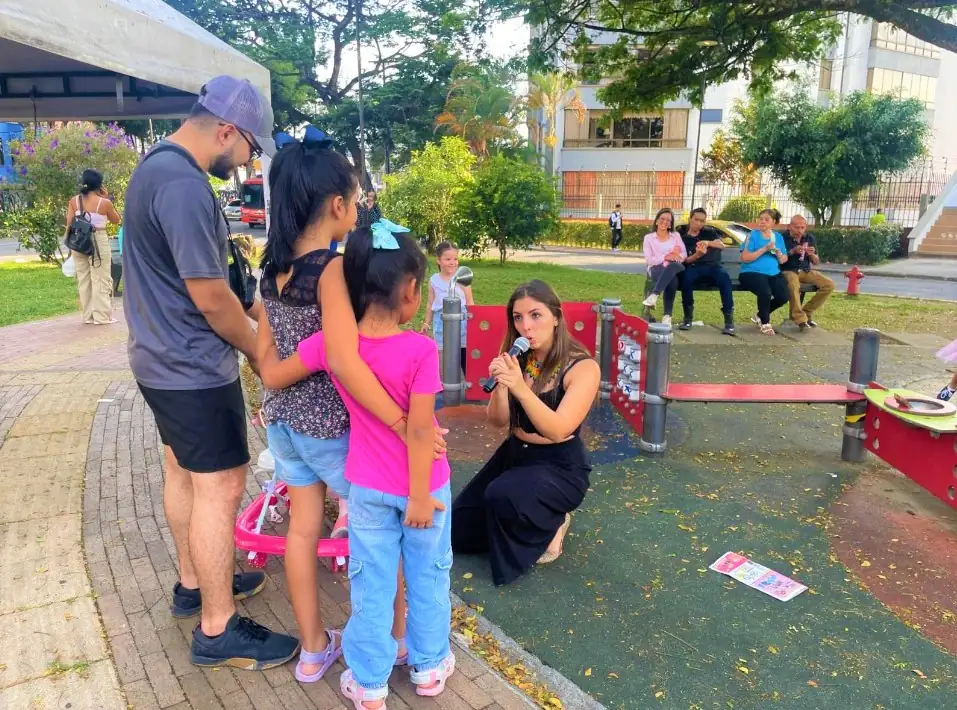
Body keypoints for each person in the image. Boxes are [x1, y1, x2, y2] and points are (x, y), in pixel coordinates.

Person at [122, 75, 301, 669]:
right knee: (221, 486)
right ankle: (218, 627)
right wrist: (259, 352)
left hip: (157, 361)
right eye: (250, 146)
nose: (249, 159)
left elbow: (222, 282)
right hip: (193, 368)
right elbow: (212, 298)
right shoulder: (182, 186)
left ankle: (194, 584)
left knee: (184, 472)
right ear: (225, 130)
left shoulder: (154, 167)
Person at [259, 221, 455, 709]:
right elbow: (418, 429)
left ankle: (369, 684)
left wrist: (264, 331)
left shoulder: (332, 345)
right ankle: (428, 668)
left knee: (370, 583)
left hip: (366, 485)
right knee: (428, 575)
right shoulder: (420, 349)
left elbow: (276, 375)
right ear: (411, 290)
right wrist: (415, 495)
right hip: (423, 488)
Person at [255, 126, 412, 682]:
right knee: (380, 530)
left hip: (284, 426)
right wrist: (399, 421)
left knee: (302, 530)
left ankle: (314, 648)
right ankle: (393, 642)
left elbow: (264, 348)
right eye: (356, 200)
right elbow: (343, 359)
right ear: (340, 205)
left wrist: (274, 377)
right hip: (334, 428)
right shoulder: (332, 270)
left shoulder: (271, 266)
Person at [451, 280, 600, 586]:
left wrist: (520, 387)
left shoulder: (582, 367)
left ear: (556, 317)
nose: (526, 327)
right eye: (518, 318)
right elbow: (497, 421)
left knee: (500, 496)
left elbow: (559, 430)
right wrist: (502, 387)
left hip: (560, 465)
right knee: (458, 531)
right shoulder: (520, 356)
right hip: (516, 453)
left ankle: (554, 520)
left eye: (536, 315)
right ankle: (523, 513)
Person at [65, 169, 121, 325]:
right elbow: (116, 220)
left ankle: (88, 316)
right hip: (97, 240)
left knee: (84, 279)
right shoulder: (104, 202)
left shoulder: (74, 201)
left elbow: (69, 222)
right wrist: (105, 197)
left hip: (77, 240)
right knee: (101, 277)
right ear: (100, 185)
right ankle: (102, 316)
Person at [677, 207, 735, 335]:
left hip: (713, 267)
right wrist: (697, 255)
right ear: (690, 219)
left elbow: (721, 245)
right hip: (695, 267)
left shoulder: (709, 232)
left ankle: (729, 322)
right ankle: (687, 319)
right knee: (686, 279)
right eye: (696, 220)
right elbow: (685, 260)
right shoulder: (682, 237)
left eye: (702, 221)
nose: (699, 223)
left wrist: (707, 243)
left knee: (724, 278)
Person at [422, 242, 474, 374]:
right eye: (448, 259)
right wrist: (426, 323)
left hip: (461, 322)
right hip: (441, 323)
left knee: (463, 354)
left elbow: (470, 302)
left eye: (455, 259)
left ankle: (468, 383)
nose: (452, 262)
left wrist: (473, 322)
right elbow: (430, 304)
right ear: (438, 260)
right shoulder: (434, 280)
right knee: (444, 356)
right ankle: (444, 386)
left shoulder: (463, 279)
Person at [739, 208, 789, 336]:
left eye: (766, 220)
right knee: (765, 292)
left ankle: (760, 315)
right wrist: (765, 248)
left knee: (783, 296)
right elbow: (745, 258)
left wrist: (778, 254)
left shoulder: (778, 237)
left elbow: (783, 260)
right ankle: (765, 322)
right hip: (751, 272)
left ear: (774, 222)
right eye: (760, 219)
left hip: (773, 273)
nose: (762, 222)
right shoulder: (752, 235)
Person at [781, 215, 835, 330]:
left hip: (805, 271)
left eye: (802, 227)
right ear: (789, 226)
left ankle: (807, 312)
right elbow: (779, 258)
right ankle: (800, 319)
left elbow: (816, 262)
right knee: (794, 284)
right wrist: (792, 251)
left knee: (829, 284)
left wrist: (811, 254)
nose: (800, 230)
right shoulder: (782, 238)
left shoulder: (809, 238)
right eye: (797, 227)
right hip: (788, 270)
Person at [641, 208, 687, 326]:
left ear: (671, 224)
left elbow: (684, 254)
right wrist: (666, 257)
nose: (665, 221)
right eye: (662, 218)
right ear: (656, 221)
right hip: (656, 269)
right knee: (672, 280)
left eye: (668, 220)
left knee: (673, 267)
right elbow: (650, 260)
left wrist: (675, 257)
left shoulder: (675, 236)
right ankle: (667, 316)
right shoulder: (649, 238)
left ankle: (654, 295)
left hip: (676, 266)